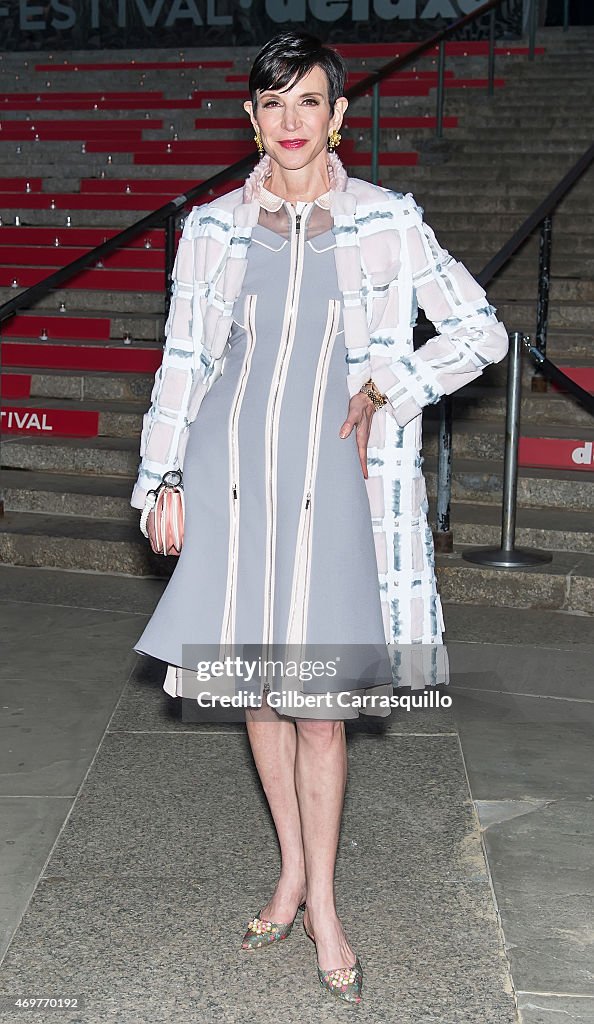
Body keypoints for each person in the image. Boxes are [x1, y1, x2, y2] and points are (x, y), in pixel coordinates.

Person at [130, 30, 509, 1005]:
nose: (291, 122)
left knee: (323, 713)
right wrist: (161, 475)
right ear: (251, 118)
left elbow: (480, 331)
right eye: (273, 104)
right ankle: (290, 873)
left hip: (341, 486)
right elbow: (184, 361)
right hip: (235, 478)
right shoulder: (210, 229)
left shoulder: (387, 223)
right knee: (260, 695)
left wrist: (391, 381)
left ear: (338, 114)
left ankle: (326, 905)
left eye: (309, 102)